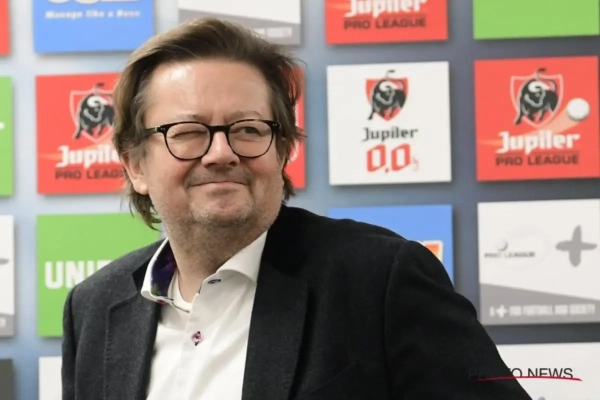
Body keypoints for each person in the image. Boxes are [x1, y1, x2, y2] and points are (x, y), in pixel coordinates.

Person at [60, 18, 533, 400]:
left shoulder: (382, 282)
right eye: (187, 132)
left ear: (283, 150)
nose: (222, 153)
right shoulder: (93, 308)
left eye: (248, 129)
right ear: (135, 165)